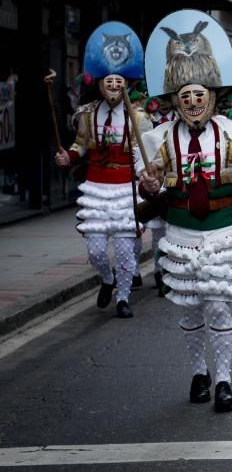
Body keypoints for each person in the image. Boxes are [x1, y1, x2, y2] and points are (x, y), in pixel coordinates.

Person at [138, 9, 232, 411]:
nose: (193, 103)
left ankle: (225, 380)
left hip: (221, 229)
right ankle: (199, 371)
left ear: (213, 96)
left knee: (217, 303)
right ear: (175, 100)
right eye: (185, 96)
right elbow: (148, 190)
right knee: (190, 306)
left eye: (200, 95)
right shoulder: (157, 138)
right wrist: (148, 185)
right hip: (178, 234)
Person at [54, 21, 150, 318]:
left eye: (119, 81)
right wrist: (68, 157)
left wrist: (147, 174)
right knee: (96, 250)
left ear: (127, 84)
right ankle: (107, 280)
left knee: (124, 251)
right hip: (96, 188)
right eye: (108, 81)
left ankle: (122, 297)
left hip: (124, 190)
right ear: (99, 83)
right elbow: (80, 145)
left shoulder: (139, 118)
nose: (113, 86)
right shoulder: (86, 115)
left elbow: (141, 154)